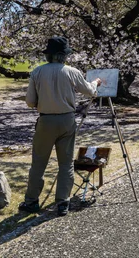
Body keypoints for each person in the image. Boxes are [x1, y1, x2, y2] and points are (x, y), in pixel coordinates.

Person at [20, 37, 102, 216]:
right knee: (66, 163)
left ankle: (31, 201)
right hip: (67, 120)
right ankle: (62, 202)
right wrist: (95, 83)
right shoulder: (72, 71)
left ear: (49, 55)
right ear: (63, 55)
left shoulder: (37, 72)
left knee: (38, 163)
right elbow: (89, 91)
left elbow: (30, 102)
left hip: (46, 121)